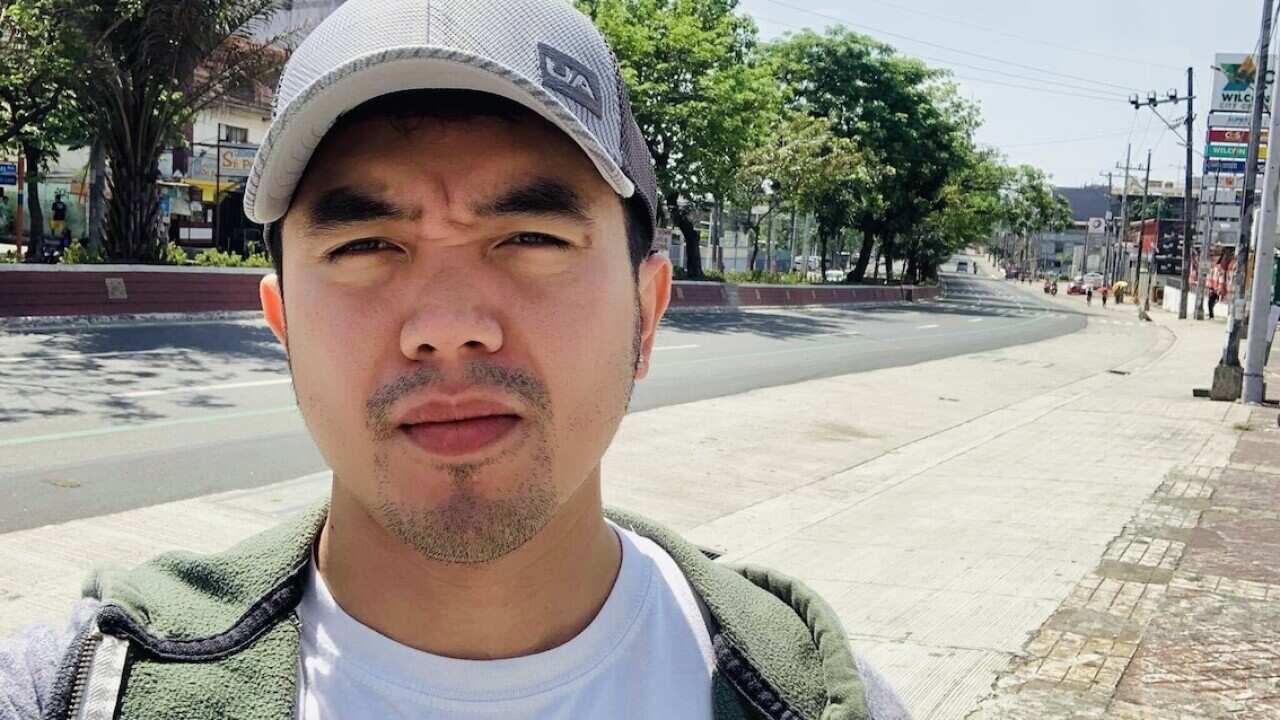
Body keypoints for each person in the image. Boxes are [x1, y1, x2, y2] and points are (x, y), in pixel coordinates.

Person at [0, 2, 909, 719]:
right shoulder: (87, 690)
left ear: (648, 309)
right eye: (364, 246)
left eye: (528, 235)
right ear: (282, 323)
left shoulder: (812, 694)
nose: (445, 327)